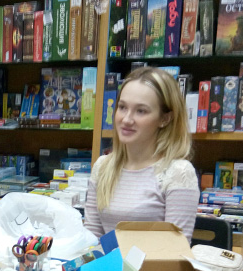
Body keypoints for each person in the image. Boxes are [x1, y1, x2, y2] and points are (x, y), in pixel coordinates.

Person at [84, 67, 200, 241]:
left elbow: (175, 251)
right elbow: (91, 239)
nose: (126, 119)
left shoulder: (179, 173)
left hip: (156, 260)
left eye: (141, 111)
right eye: (122, 107)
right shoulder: (102, 167)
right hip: (106, 260)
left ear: (165, 118)